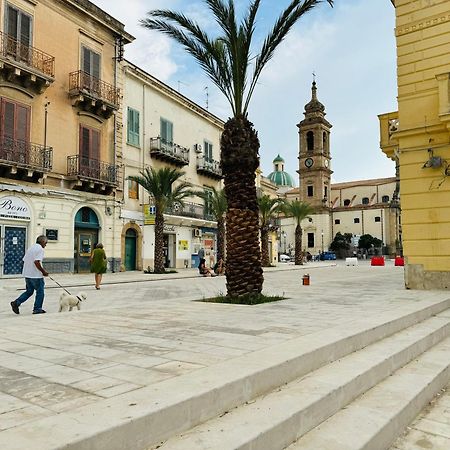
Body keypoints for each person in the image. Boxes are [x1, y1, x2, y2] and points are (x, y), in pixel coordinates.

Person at [10, 235, 49, 315]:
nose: (46, 245)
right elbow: (36, 262)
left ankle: (16, 303)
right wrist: (43, 272)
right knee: (40, 292)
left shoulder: (31, 248)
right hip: (36, 276)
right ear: (42, 241)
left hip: (27, 274)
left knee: (29, 291)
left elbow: (24, 260)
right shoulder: (40, 249)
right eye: (46, 243)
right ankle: (37, 309)